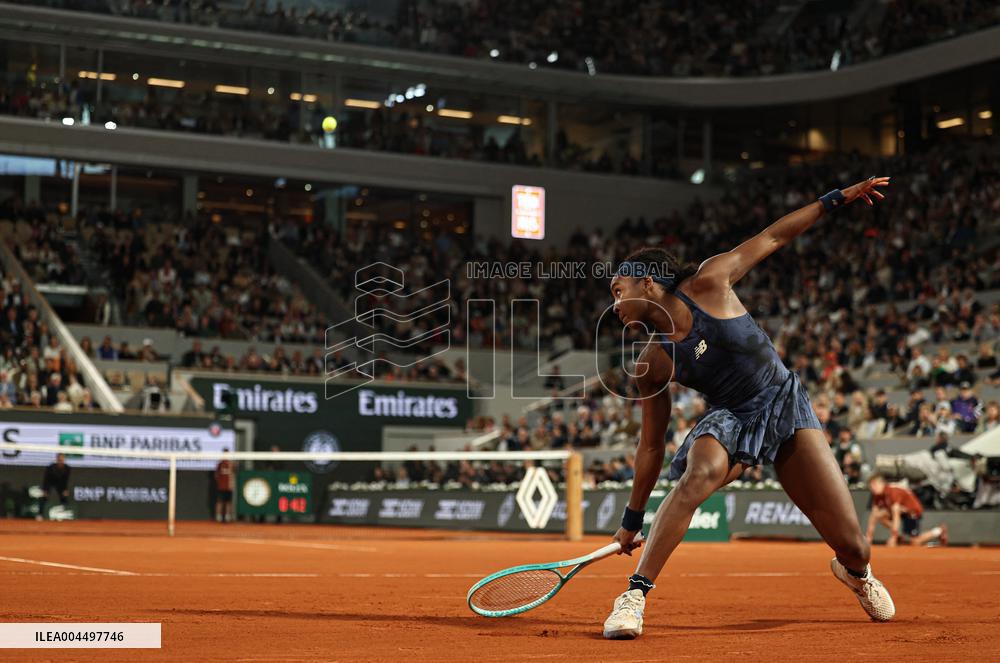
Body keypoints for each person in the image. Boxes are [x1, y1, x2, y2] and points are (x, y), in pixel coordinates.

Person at [602, 177, 895, 640]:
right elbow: (650, 446)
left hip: (784, 404)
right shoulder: (651, 364)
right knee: (696, 475)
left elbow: (775, 236)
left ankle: (855, 573)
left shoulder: (711, 280)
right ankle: (634, 594)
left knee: (855, 545)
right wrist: (630, 522)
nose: (614, 303)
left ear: (650, 282)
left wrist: (835, 199)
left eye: (619, 290)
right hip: (733, 419)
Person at [866, 474, 947, 547]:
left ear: (882, 483)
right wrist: (868, 538)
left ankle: (939, 530)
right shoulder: (877, 495)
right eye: (871, 486)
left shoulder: (893, 492)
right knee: (879, 515)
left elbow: (896, 515)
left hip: (912, 512)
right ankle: (899, 536)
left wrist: (893, 537)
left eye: (874, 484)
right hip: (902, 512)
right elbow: (873, 516)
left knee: (915, 542)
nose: (872, 488)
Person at [38, 453, 70, 520]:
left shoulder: (67, 468)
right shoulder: (51, 467)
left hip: (60, 484)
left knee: (64, 497)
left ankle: (62, 514)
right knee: (44, 498)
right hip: (50, 482)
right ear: (57, 459)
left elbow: (66, 480)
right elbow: (46, 479)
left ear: (64, 459)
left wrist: (65, 490)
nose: (60, 460)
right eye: (59, 458)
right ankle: (40, 514)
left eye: (62, 459)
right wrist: (45, 490)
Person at [214, 449, 235, 523]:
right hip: (221, 487)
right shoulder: (220, 464)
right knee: (219, 502)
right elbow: (216, 475)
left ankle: (227, 517)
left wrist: (231, 484)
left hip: (228, 487)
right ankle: (218, 516)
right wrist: (220, 482)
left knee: (228, 502)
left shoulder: (231, 464)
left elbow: (232, 474)